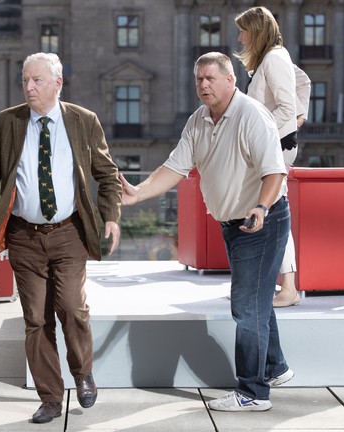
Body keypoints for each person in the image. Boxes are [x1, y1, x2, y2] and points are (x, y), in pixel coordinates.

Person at [120, 52, 293, 411]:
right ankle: (275, 368)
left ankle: (253, 393)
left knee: (246, 307)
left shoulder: (251, 115)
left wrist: (261, 207)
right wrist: (139, 192)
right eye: (199, 79)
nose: (203, 85)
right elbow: (175, 167)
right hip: (233, 224)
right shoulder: (198, 120)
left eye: (211, 78)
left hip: (263, 220)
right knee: (257, 300)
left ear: (231, 80)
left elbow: (275, 171)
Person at [0, 52, 121, 423]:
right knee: (36, 319)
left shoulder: (83, 121)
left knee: (71, 308)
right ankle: (50, 397)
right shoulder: (7, 122)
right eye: (25, 80)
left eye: (37, 80)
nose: (29, 87)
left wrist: (111, 218)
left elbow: (107, 173)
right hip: (23, 237)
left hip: (69, 234)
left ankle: (83, 374)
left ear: (57, 83)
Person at [234, 6, 311, 308]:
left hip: (274, 148)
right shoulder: (274, 58)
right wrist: (298, 116)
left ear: (257, 31)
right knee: (268, 211)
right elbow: (302, 82)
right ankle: (264, 285)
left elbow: (285, 109)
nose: (239, 38)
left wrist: (259, 135)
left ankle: (288, 288)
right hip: (272, 146)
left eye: (243, 31)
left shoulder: (274, 58)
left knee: (273, 212)